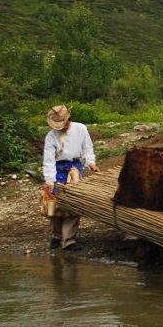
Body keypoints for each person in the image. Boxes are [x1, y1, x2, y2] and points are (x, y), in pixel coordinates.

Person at [41, 105, 100, 251]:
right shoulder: (51, 136)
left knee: (73, 204)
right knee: (55, 203)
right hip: (58, 169)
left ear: (68, 119)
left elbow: (87, 148)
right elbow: (48, 160)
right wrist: (50, 180)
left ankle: (69, 240)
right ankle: (56, 235)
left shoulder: (80, 129)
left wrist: (91, 163)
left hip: (74, 169)